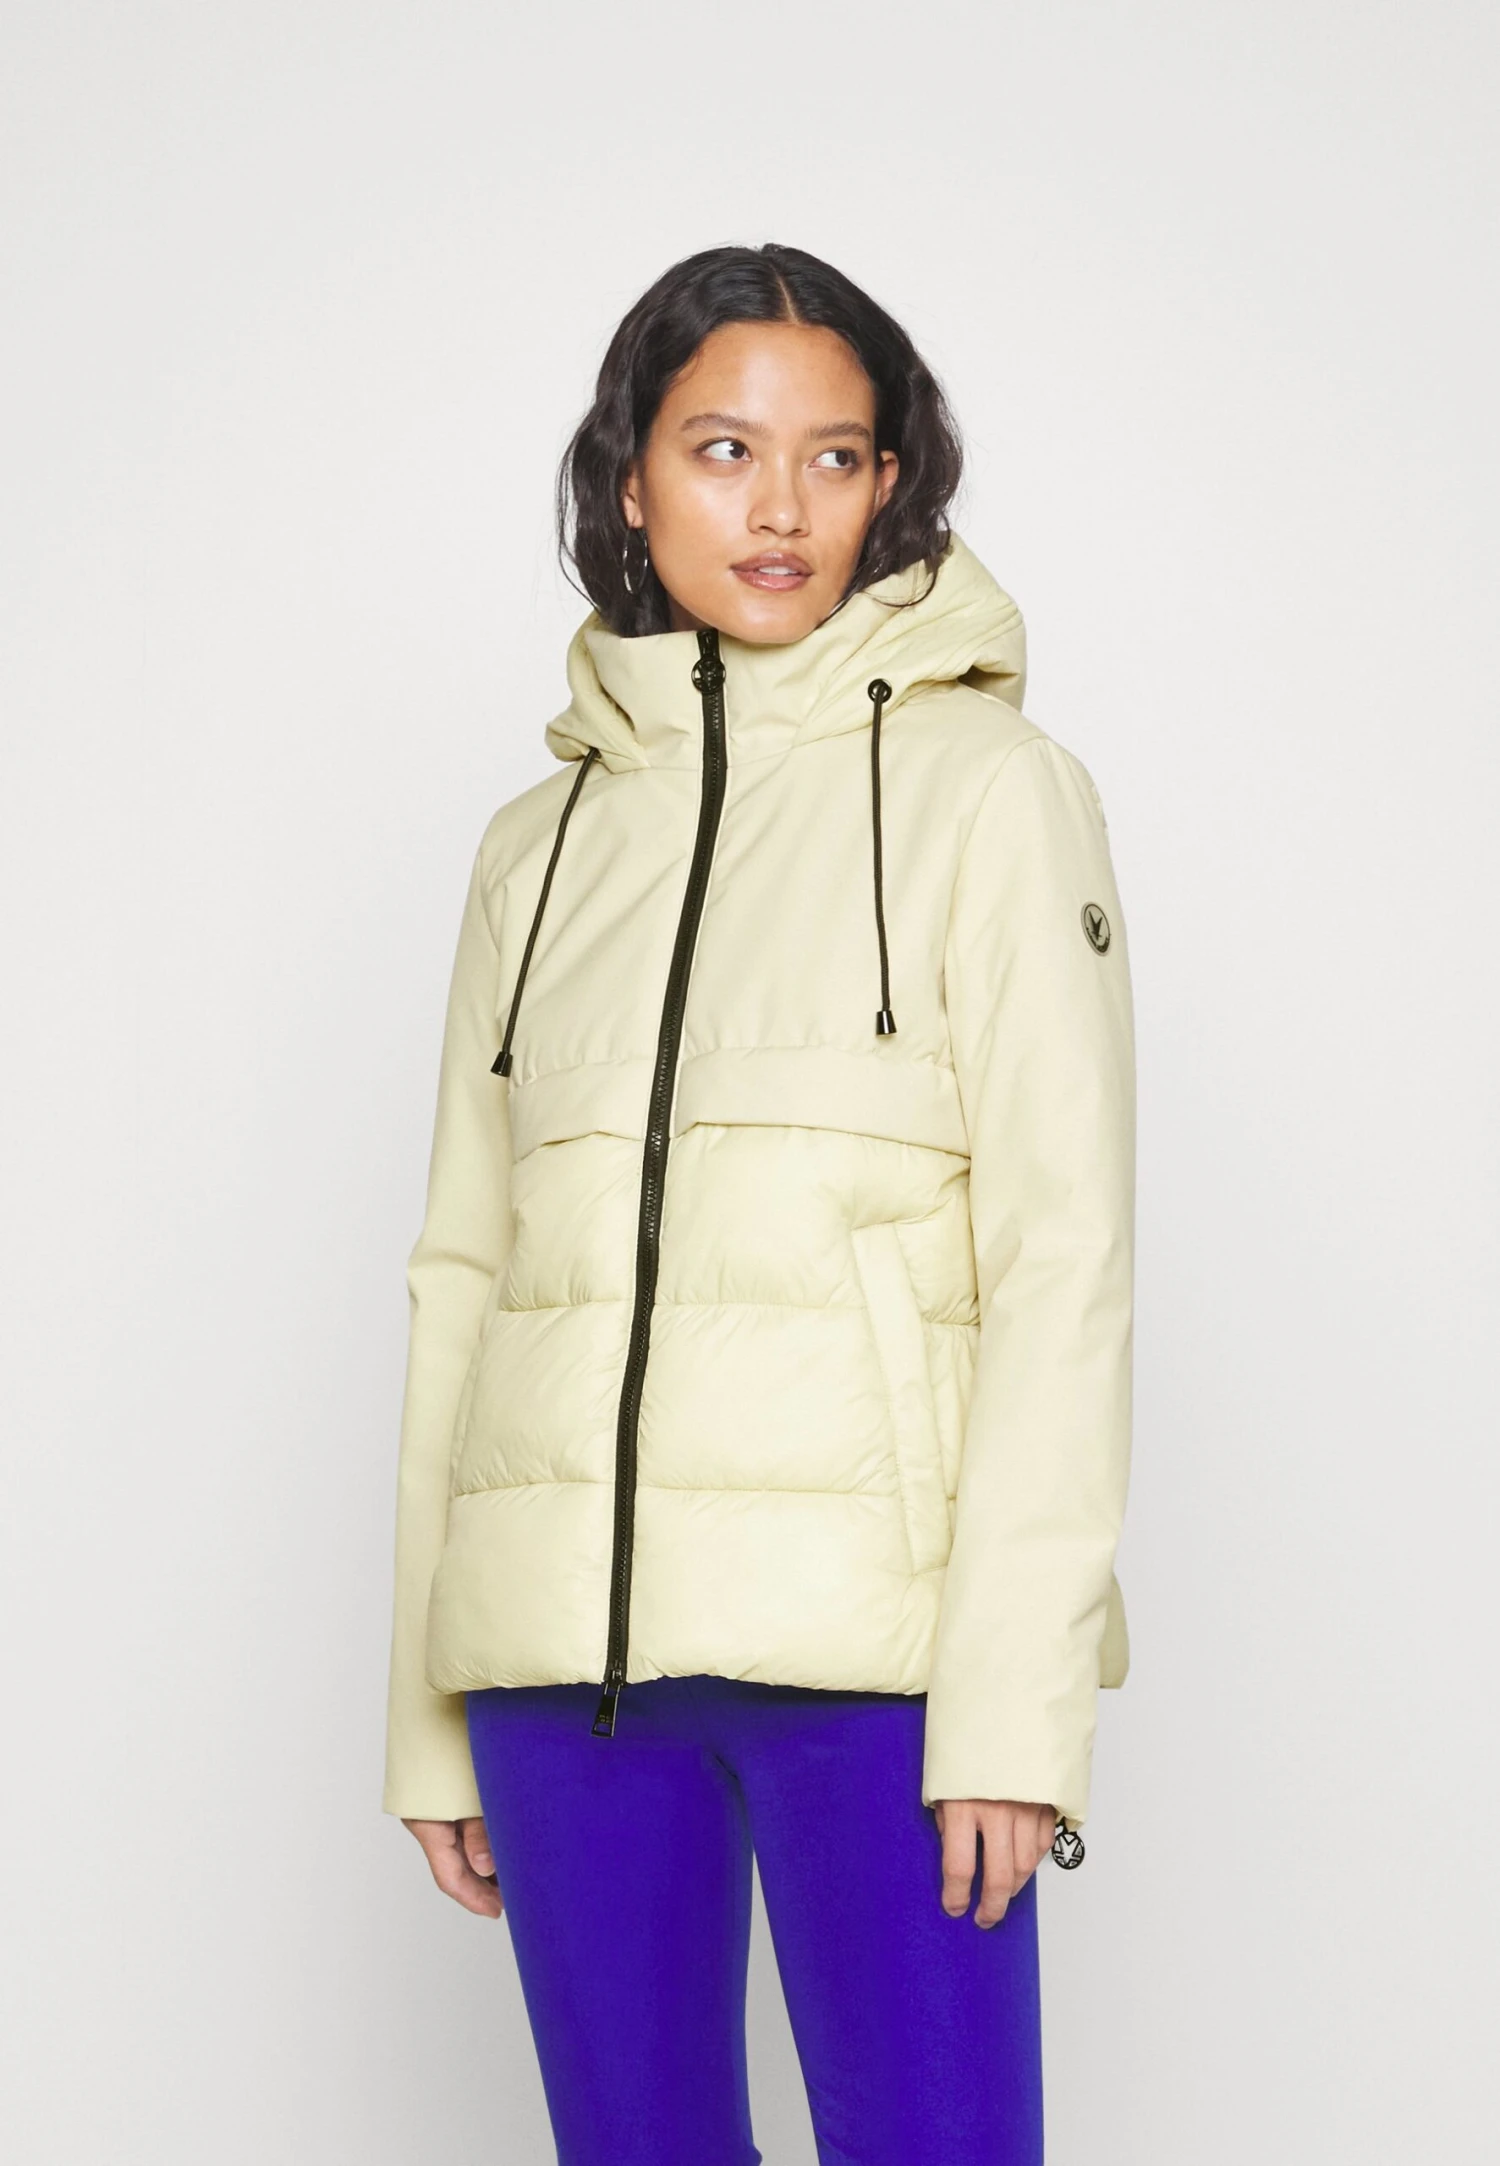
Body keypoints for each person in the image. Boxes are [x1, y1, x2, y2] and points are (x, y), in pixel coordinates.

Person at [380, 241, 1136, 2166]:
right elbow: (466, 1271)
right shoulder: (536, 845)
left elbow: (1064, 1261)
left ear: (894, 483)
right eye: (723, 448)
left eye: (836, 455)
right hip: (564, 1674)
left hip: (877, 1673)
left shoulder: (992, 790)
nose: (782, 506)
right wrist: (430, 1704)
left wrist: (1014, 1711)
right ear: (632, 479)